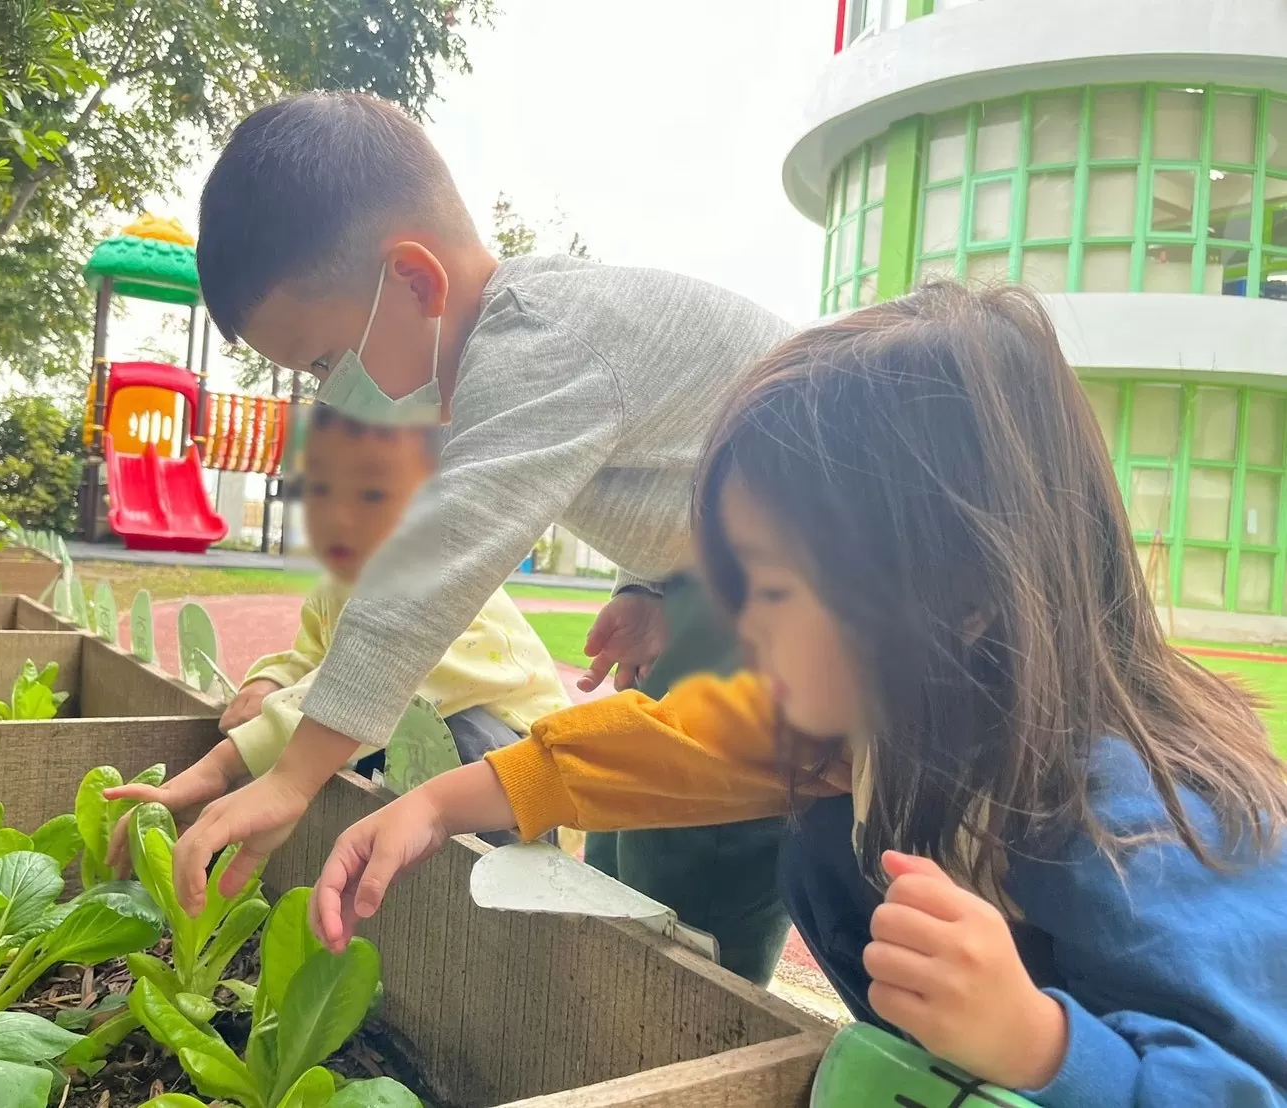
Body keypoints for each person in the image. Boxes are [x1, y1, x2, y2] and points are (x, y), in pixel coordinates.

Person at [307, 284, 1287, 1106]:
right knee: (828, 842)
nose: (740, 620)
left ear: (959, 598)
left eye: (770, 587)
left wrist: (1038, 1046)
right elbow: (672, 746)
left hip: (1120, 1069)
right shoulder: (894, 718)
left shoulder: (1140, 824)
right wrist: (436, 802)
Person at [148, 90, 798, 983]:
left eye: (324, 364)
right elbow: (676, 460)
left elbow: (431, 572)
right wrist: (646, 588)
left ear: (414, 281)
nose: (327, 394)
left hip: (820, 614)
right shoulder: (536, 331)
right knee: (626, 852)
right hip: (729, 591)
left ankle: (696, 1037)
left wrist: (293, 778)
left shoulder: (535, 340)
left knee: (697, 882)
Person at [106, 400, 569, 850]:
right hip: (420, 768)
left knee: (446, 732)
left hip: (523, 779)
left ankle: (473, 903)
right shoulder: (337, 584)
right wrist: (273, 678)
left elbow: (388, 676)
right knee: (339, 748)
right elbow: (313, 653)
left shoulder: (451, 583)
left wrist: (229, 759)